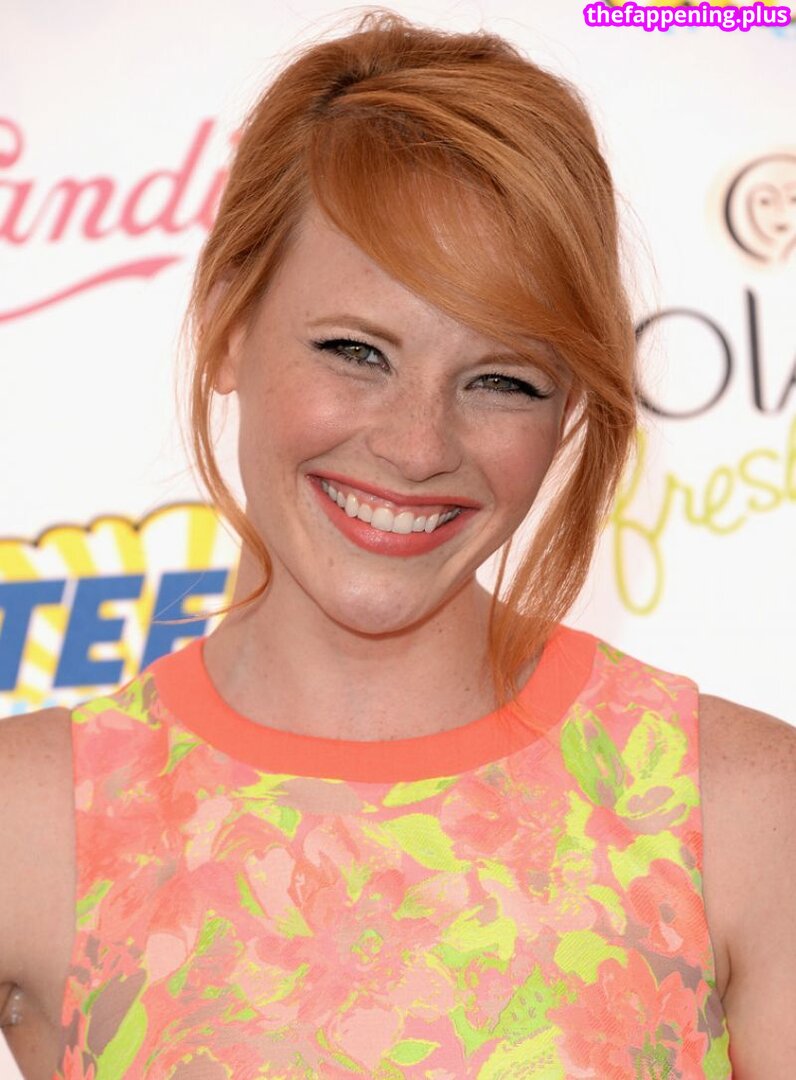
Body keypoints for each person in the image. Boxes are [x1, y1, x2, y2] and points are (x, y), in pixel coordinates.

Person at [1, 10, 794, 1078]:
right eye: (355, 351)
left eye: (502, 380)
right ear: (229, 322)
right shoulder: (32, 818)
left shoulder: (743, 810)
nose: (419, 446)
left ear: (570, 407)